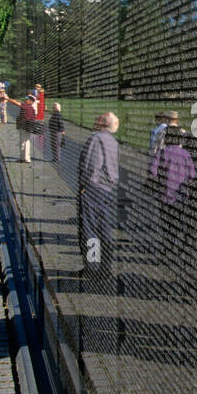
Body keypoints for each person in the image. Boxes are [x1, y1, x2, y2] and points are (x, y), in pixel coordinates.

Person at [78, 112, 120, 274]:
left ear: (102, 123)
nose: (95, 121)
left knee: (90, 230)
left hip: (93, 189)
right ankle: (105, 267)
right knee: (104, 229)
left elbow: (92, 166)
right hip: (107, 189)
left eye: (98, 119)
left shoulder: (96, 139)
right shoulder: (113, 141)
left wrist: (85, 186)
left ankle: (92, 268)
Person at [152, 125, 196, 249]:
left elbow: (152, 171)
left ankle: (167, 245)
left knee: (165, 222)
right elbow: (192, 175)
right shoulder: (186, 154)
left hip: (164, 194)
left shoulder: (162, 153)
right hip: (180, 195)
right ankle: (175, 245)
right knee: (177, 222)